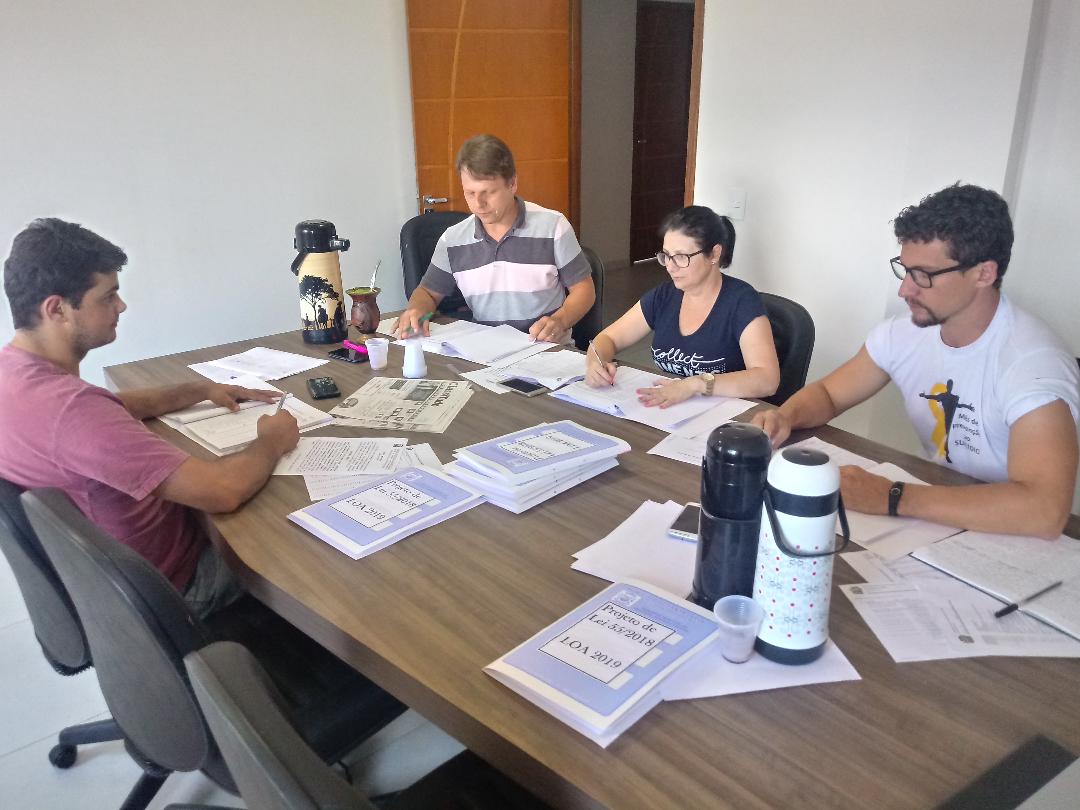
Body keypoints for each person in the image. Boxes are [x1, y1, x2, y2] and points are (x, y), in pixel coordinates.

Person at [0, 218, 301, 617]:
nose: (121, 306)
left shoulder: (16, 375)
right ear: (57, 309)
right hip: (179, 587)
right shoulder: (73, 414)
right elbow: (223, 491)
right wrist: (272, 440)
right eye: (108, 297)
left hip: (109, 586)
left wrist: (199, 390)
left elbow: (108, 407)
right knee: (300, 541)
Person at [752, 183, 1079, 539]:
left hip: (1011, 536)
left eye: (924, 275)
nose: (905, 289)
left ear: (984, 273)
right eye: (905, 270)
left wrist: (892, 496)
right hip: (937, 512)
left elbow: (1045, 511)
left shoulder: (1032, 364)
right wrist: (786, 416)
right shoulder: (903, 333)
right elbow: (829, 395)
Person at [395, 134, 595, 344]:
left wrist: (560, 320)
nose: (479, 203)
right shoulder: (452, 240)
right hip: (487, 350)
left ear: (513, 183)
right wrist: (416, 310)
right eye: (470, 193)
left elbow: (584, 290)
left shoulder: (553, 227)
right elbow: (427, 293)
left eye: (488, 192)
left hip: (544, 348)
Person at [585, 205, 780, 407]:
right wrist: (595, 363)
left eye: (681, 257)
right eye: (666, 256)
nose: (670, 266)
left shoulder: (742, 301)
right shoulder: (664, 296)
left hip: (726, 414)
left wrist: (695, 385)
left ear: (714, 254)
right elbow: (608, 338)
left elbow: (767, 380)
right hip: (671, 410)